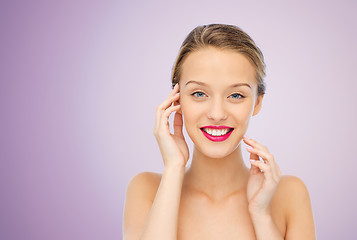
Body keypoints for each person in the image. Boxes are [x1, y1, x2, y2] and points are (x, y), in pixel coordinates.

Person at [123, 24, 316, 240]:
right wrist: (174, 169)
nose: (217, 114)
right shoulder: (146, 190)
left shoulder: (289, 194)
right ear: (176, 99)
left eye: (235, 95)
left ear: (258, 102)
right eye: (198, 93)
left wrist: (260, 215)